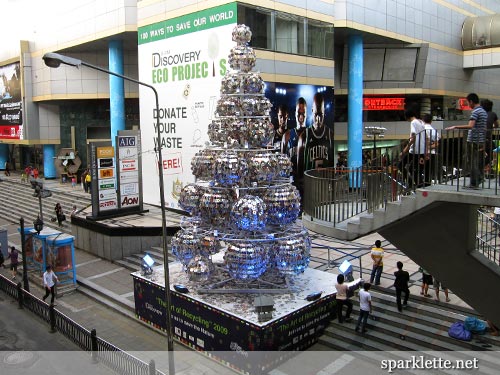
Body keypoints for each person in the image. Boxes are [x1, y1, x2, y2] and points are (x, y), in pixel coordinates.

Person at [296, 93, 334, 200]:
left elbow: (332, 164)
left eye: (320, 115)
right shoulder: (304, 136)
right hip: (310, 185)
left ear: (324, 113)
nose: (318, 119)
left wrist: (332, 185)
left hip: (324, 184)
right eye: (316, 114)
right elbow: (299, 169)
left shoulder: (330, 135)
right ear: (312, 111)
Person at [446, 93, 487, 189]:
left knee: (472, 161)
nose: (468, 105)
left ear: (471, 101)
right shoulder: (483, 112)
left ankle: (474, 182)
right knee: (477, 161)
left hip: (473, 140)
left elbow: (470, 126)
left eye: (468, 102)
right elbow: (484, 128)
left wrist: (455, 126)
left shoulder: (475, 112)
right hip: (480, 140)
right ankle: (479, 178)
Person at [399, 107, 430, 188]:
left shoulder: (413, 123)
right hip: (421, 151)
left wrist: (404, 150)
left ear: (406, 117)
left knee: (400, 165)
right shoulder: (421, 122)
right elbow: (427, 138)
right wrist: (426, 152)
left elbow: (413, 137)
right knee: (416, 170)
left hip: (415, 151)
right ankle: (416, 185)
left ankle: (410, 184)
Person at [282, 97, 307, 183]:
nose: (301, 117)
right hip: (291, 181)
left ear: (307, 114)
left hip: (307, 182)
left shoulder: (310, 135)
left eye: (303, 113)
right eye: (299, 113)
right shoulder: (287, 135)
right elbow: (282, 164)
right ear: (295, 113)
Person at [480, 99, 498, 169]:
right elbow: (496, 125)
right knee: (493, 152)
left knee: (479, 154)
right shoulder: (493, 114)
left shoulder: (480, 114)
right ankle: (483, 166)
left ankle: (482, 167)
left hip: (479, 137)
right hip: (487, 137)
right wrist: (491, 126)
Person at [422, 113, 441, 183]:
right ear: (431, 121)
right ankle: (427, 184)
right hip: (432, 153)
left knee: (419, 170)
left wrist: (426, 146)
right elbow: (436, 144)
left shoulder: (421, 129)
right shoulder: (434, 131)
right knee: (429, 171)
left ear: (423, 120)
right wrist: (430, 146)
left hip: (421, 153)